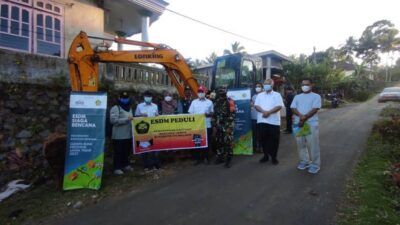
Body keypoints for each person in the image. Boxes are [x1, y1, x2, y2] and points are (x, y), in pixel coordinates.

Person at [290, 78, 322, 174]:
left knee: (313, 145)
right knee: (300, 144)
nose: (305, 86)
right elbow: (293, 107)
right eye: (303, 84)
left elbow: (315, 109)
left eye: (307, 84)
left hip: (310, 123)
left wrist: (304, 118)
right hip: (298, 123)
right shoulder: (297, 97)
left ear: (312, 85)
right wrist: (301, 117)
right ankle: (304, 161)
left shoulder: (316, 96)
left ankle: (315, 164)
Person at [255, 79, 284, 165]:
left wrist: (269, 112)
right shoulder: (260, 95)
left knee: (274, 140)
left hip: (273, 122)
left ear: (272, 85)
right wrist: (264, 112)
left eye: (268, 84)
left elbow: (279, 106)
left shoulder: (277, 95)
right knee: (263, 139)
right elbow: (256, 105)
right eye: (265, 84)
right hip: (262, 120)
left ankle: (274, 157)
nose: (266, 85)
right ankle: (266, 156)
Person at [135, 91, 161, 171]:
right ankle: (146, 165)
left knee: (154, 148)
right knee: (145, 148)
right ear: (144, 97)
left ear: (151, 97)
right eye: (147, 96)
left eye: (149, 96)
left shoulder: (155, 106)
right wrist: (141, 116)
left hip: (153, 130)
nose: (148, 98)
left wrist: (157, 116)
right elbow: (135, 117)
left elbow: (157, 116)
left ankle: (155, 165)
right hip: (143, 130)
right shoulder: (139, 106)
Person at [110, 92, 134, 175]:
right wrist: (126, 120)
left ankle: (126, 165)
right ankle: (117, 168)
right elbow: (113, 121)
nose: (125, 99)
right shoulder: (116, 108)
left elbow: (132, 119)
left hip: (128, 134)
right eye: (123, 98)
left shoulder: (129, 108)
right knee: (118, 152)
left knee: (126, 151)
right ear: (119, 98)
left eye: (126, 98)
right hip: (118, 135)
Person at [188, 86, 214, 165]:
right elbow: (190, 113)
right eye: (199, 91)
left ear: (205, 93)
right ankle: (198, 159)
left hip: (207, 125)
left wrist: (208, 114)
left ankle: (206, 158)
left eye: (202, 92)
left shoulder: (209, 102)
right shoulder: (194, 102)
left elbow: (212, 113)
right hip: (197, 126)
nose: (200, 93)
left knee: (207, 142)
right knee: (197, 142)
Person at [213, 86, 235, 168]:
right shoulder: (216, 102)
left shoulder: (230, 101)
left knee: (228, 142)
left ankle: (228, 159)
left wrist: (229, 126)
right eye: (219, 91)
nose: (220, 92)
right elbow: (214, 115)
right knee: (219, 142)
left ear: (226, 92)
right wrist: (215, 125)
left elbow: (233, 115)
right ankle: (220, 157)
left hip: (227, 126)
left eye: (222, 91)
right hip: (218, 126)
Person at [251, 82, 263, 153]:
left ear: (262, 87)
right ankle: (254, 147)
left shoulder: (264, 96)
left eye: (259, 86)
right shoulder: (253, 96)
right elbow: (252, 106)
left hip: (261, 118)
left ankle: (260, 147)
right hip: (253, 117)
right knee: (254, 134)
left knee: (261, 134)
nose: (257, 88)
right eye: (256, 87)